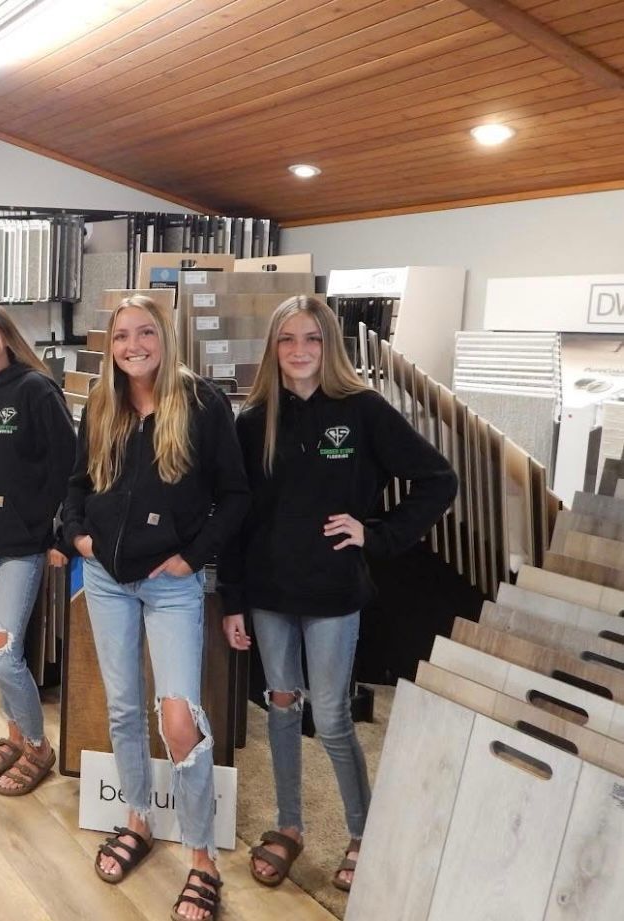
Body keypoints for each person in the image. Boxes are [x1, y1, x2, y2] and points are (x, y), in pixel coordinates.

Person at [218, 295, 457, 893]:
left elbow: (438, 479)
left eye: (312, 340)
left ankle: (361, 829)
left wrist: (376, 534)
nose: (299, 352)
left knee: (328, 716)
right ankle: (290, 824)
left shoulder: (364, 411)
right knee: (280, 705)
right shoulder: (254, 421)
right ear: (273, 350)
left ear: (330, 346)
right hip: (270, 595)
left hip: (332, 593)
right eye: (287, 341)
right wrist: (233, 599)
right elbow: (237, 519)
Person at [61, 295, 249, 921]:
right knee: (122, 707)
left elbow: (235, 495)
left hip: (171, 584)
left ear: (166, 339)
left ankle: (201, 857)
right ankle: (137, 820)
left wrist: (193, 557)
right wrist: (78, 536)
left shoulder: (201, 404)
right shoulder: (102, 403)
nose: (133, 345)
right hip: (107, 578)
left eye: (145, 333)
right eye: (121, 336)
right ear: (109, 345)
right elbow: (77, 484)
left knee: (178, 720)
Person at [0, 301, 75, 795]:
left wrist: (56, 533)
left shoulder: (35, 389)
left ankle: (38, 746)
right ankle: (14, 736)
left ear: (5, 333)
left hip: (23, 544)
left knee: (3, 654)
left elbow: (70, 465)